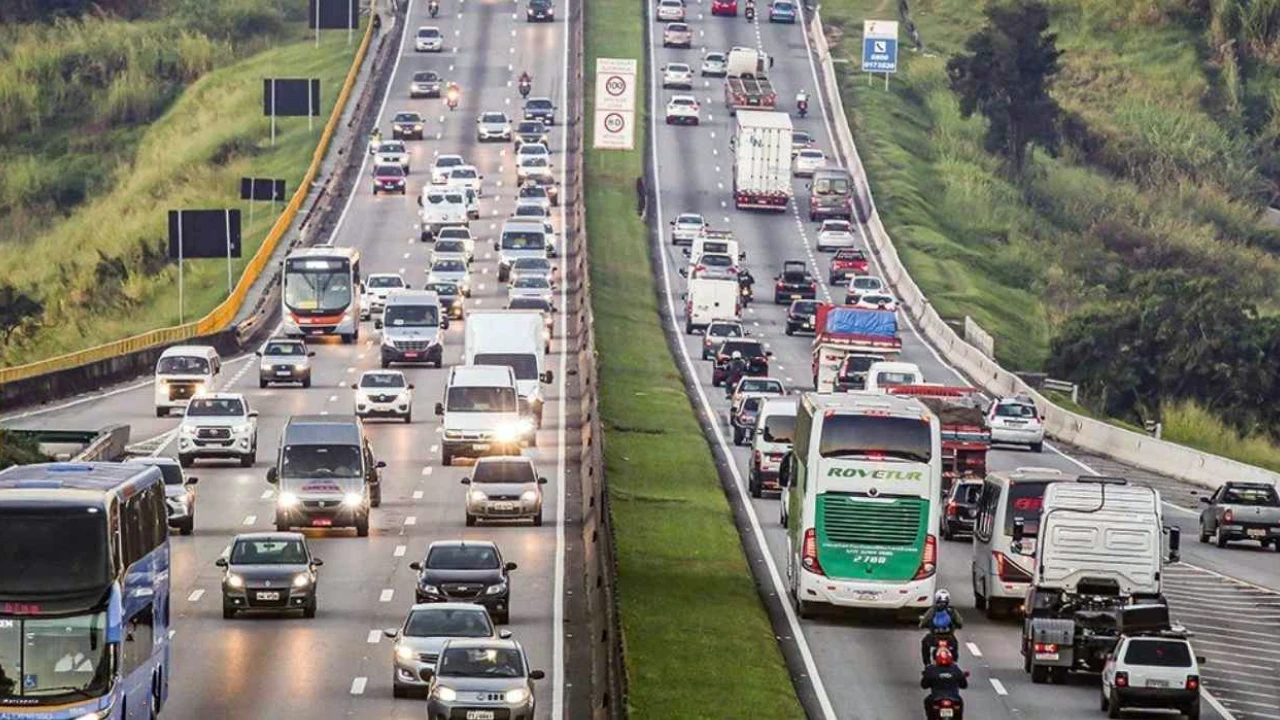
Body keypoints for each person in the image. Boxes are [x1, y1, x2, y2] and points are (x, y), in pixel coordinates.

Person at [920, 645, 967, 718]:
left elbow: (924, 685)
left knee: (927, 702)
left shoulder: (931, 670)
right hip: (954, 698)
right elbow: (964, 685)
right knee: (959, 705)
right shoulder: (955, 669)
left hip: (936, 698)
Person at [919, 589, 963, 666]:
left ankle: (927, 663)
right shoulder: (952, 610)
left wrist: (922, 625)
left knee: (924, 643)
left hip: (934, 638)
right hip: (949, 638)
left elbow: (924, 621)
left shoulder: (932, 610)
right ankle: (954, 661)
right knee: (955, 644)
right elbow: (960, 622)